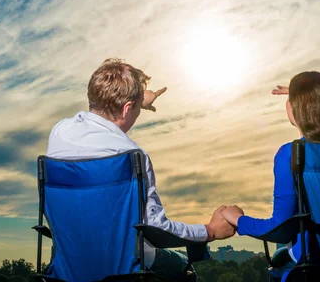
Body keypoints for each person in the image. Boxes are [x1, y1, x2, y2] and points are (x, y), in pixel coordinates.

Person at [46, 58, 235, 281]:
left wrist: (137, 100)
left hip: (68, 269)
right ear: (127, 108)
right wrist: (209, 231)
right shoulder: (132, 156)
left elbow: (108, 112)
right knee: (186, 271)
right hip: (124, 269)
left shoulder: (59, 133)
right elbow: (155, 228)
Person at [221, 71, 320, 278]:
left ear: (294, 108)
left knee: (279, 267)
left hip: (318, 265)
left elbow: (280, 229)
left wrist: (238, 220)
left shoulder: (292, 154)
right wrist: (313, 95)